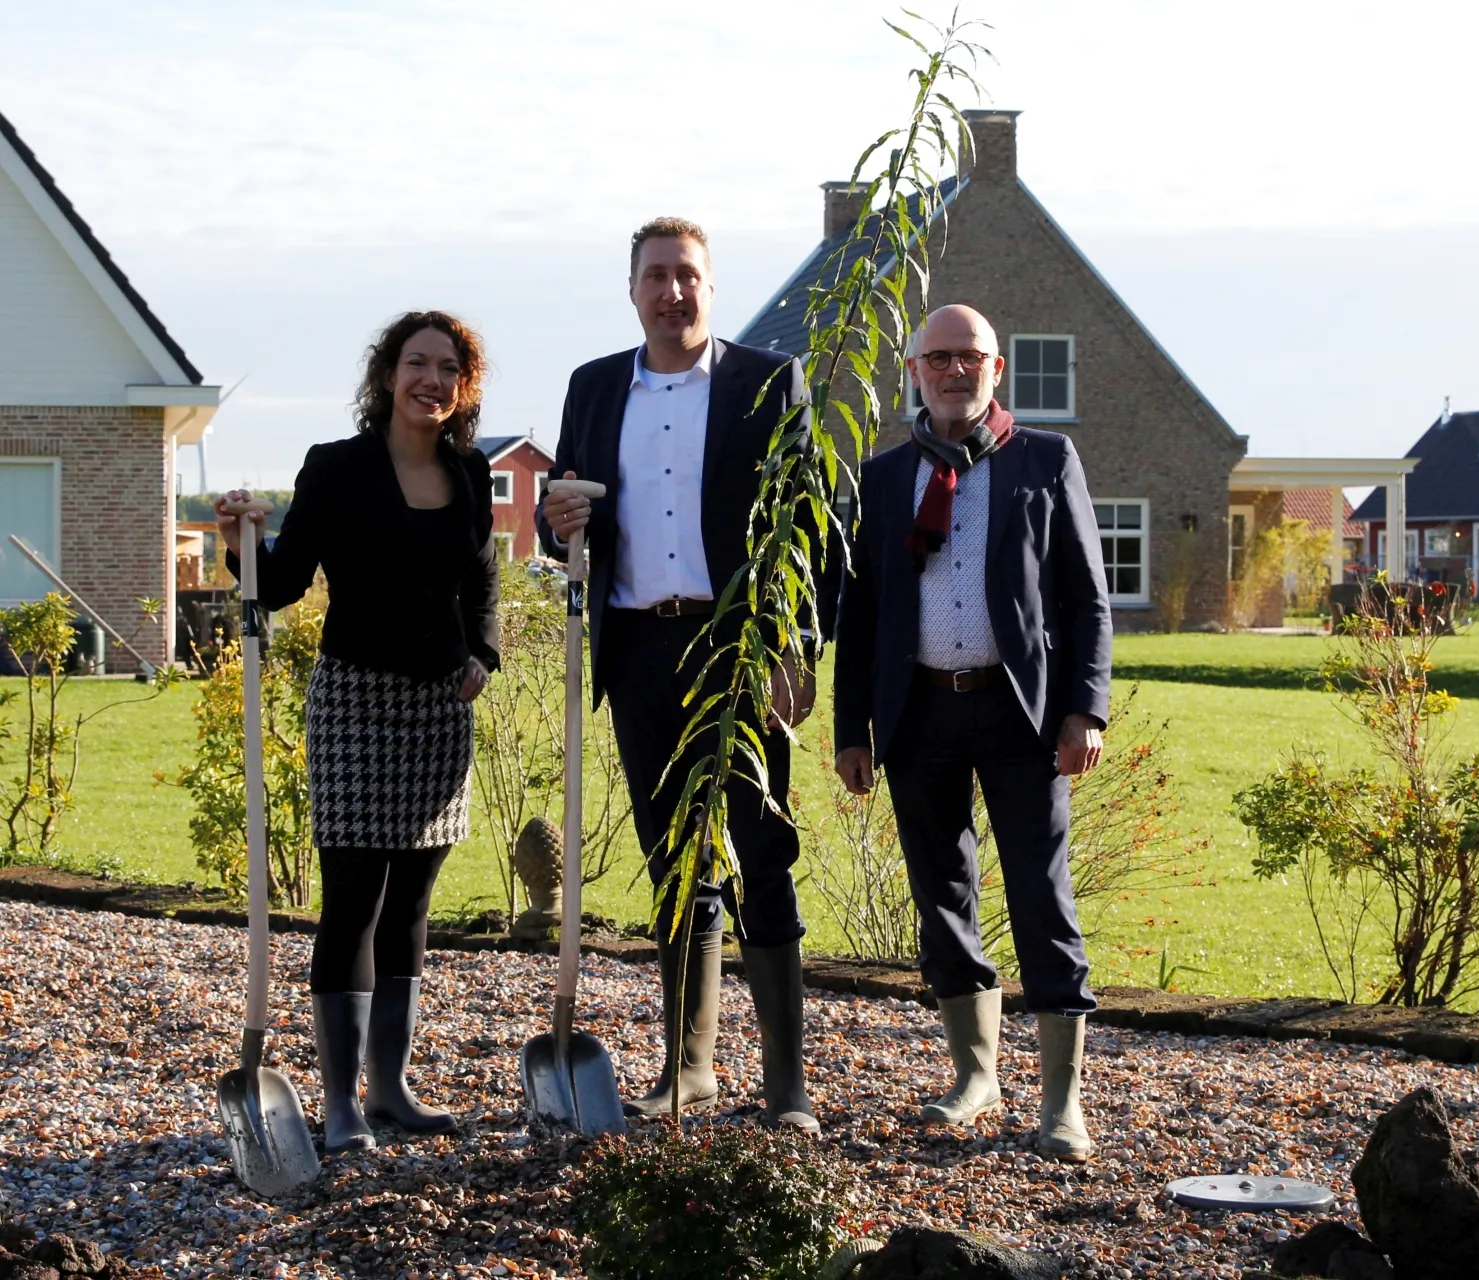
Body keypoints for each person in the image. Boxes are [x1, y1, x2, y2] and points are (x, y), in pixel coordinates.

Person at [539, 217, 830, 1132]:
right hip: (637, 649)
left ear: (711, 286)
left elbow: (810, 520)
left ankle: (785, 1083)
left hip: (738, 647)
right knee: (674, 856)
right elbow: (565, 513)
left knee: (761, 852)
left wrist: (794, 644)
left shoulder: (767, 382)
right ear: (633, 291)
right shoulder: (593, 387)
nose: (673, 292)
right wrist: (558, 522)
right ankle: (688, 1066)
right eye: (656, 277)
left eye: (688, 276)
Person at [833, 304, 1113, 1162]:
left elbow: (1087, 598)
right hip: (918, 713)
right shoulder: (882, 481)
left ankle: (1062, 1102)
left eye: (971, 357)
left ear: (997, 369)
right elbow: (862, 610)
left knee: (1041, 895)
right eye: (937, 357)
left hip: (1020, 713)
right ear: (914, 370)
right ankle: (976, 1074)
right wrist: (853, 731)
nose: (955, 371)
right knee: (941, 896)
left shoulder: (1044, 460)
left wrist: (1085, 710)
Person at [215, 310, 499, 1153]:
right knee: (354, 901)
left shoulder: (473, 471)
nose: (433, 381)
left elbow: (480, 579)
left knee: (411, 905)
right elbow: (282, 582)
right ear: (386, 376)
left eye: (449, 368)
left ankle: (392, 1090)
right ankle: (341, 1102)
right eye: (418, 364)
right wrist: (242, 545)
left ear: (463, 385)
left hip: (438, 713)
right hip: (355, 704)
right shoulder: (336, 469)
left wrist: (482, 651)